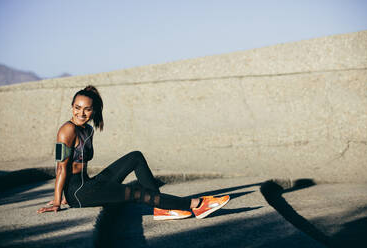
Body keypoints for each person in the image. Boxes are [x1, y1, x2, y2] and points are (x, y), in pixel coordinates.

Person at [37, 85, 229, 220]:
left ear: (93, 111)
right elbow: (61, 168)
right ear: (71, 107)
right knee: (136, 193)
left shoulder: (88, 130)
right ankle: (194, 204)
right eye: (77, 108)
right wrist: (57, 200)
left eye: (87, 109)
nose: (81, 113)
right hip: (78, 193)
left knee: (135, 156)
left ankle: (162, 208)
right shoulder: (66, 130)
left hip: (88, 184)